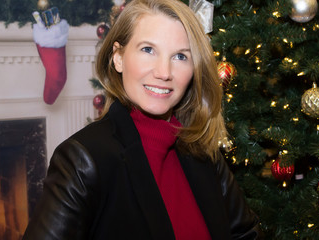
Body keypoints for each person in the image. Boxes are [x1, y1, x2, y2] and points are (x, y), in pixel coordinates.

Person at [22, 0, 263, 239]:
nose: (164, 73)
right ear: (118, 57)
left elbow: (246, 234)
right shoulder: (83, 159)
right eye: (148, 50)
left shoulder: (203, 149)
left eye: (180, 56)